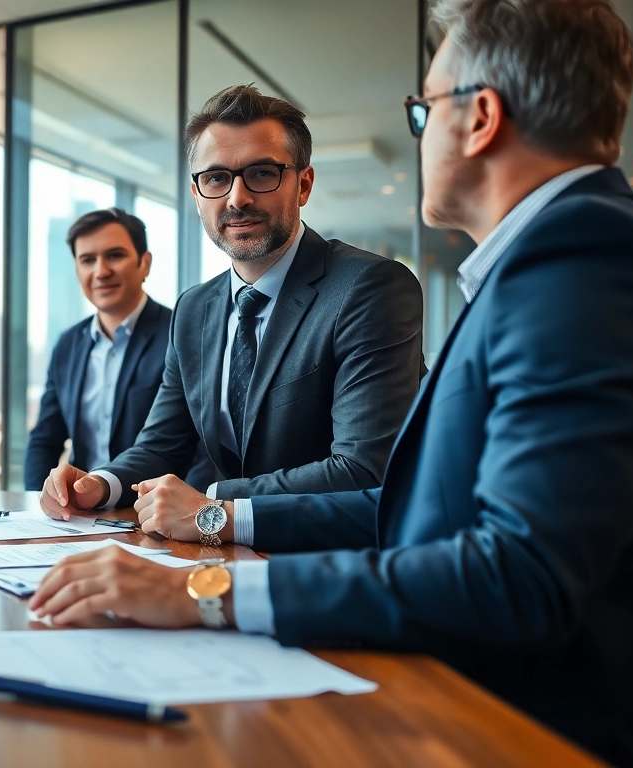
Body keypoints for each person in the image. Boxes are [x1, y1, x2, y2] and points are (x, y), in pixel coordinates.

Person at [30, 1, 633, 765]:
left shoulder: (587, 271)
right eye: (216, 178)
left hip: (503, 725)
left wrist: (206, 594)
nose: (236, 197)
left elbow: (515, 577)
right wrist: (204, 529)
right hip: (439, 677)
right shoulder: (542, 269)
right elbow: (406, 508)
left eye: (424, 111)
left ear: (480, 117)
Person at [41, 86, 426, 523]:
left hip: (333, 564)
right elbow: (163, 444)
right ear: (197, 193)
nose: (237, 198)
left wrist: (211, 504)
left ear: (303, 185)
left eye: (262, 174)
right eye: (217, 177)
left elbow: (364, 471)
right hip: (220, 562)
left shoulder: (368, 288)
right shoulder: (194, 309)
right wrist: (101, 484)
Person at [24, 208, 210, 491]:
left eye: (115, 255)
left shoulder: (182, 335)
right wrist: (39, 506)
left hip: (159, 511)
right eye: (88, 260)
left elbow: (205, 446)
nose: (101, 271)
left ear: (144, 264)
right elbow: (45, 439)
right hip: (83, 511)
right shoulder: (67, 345)